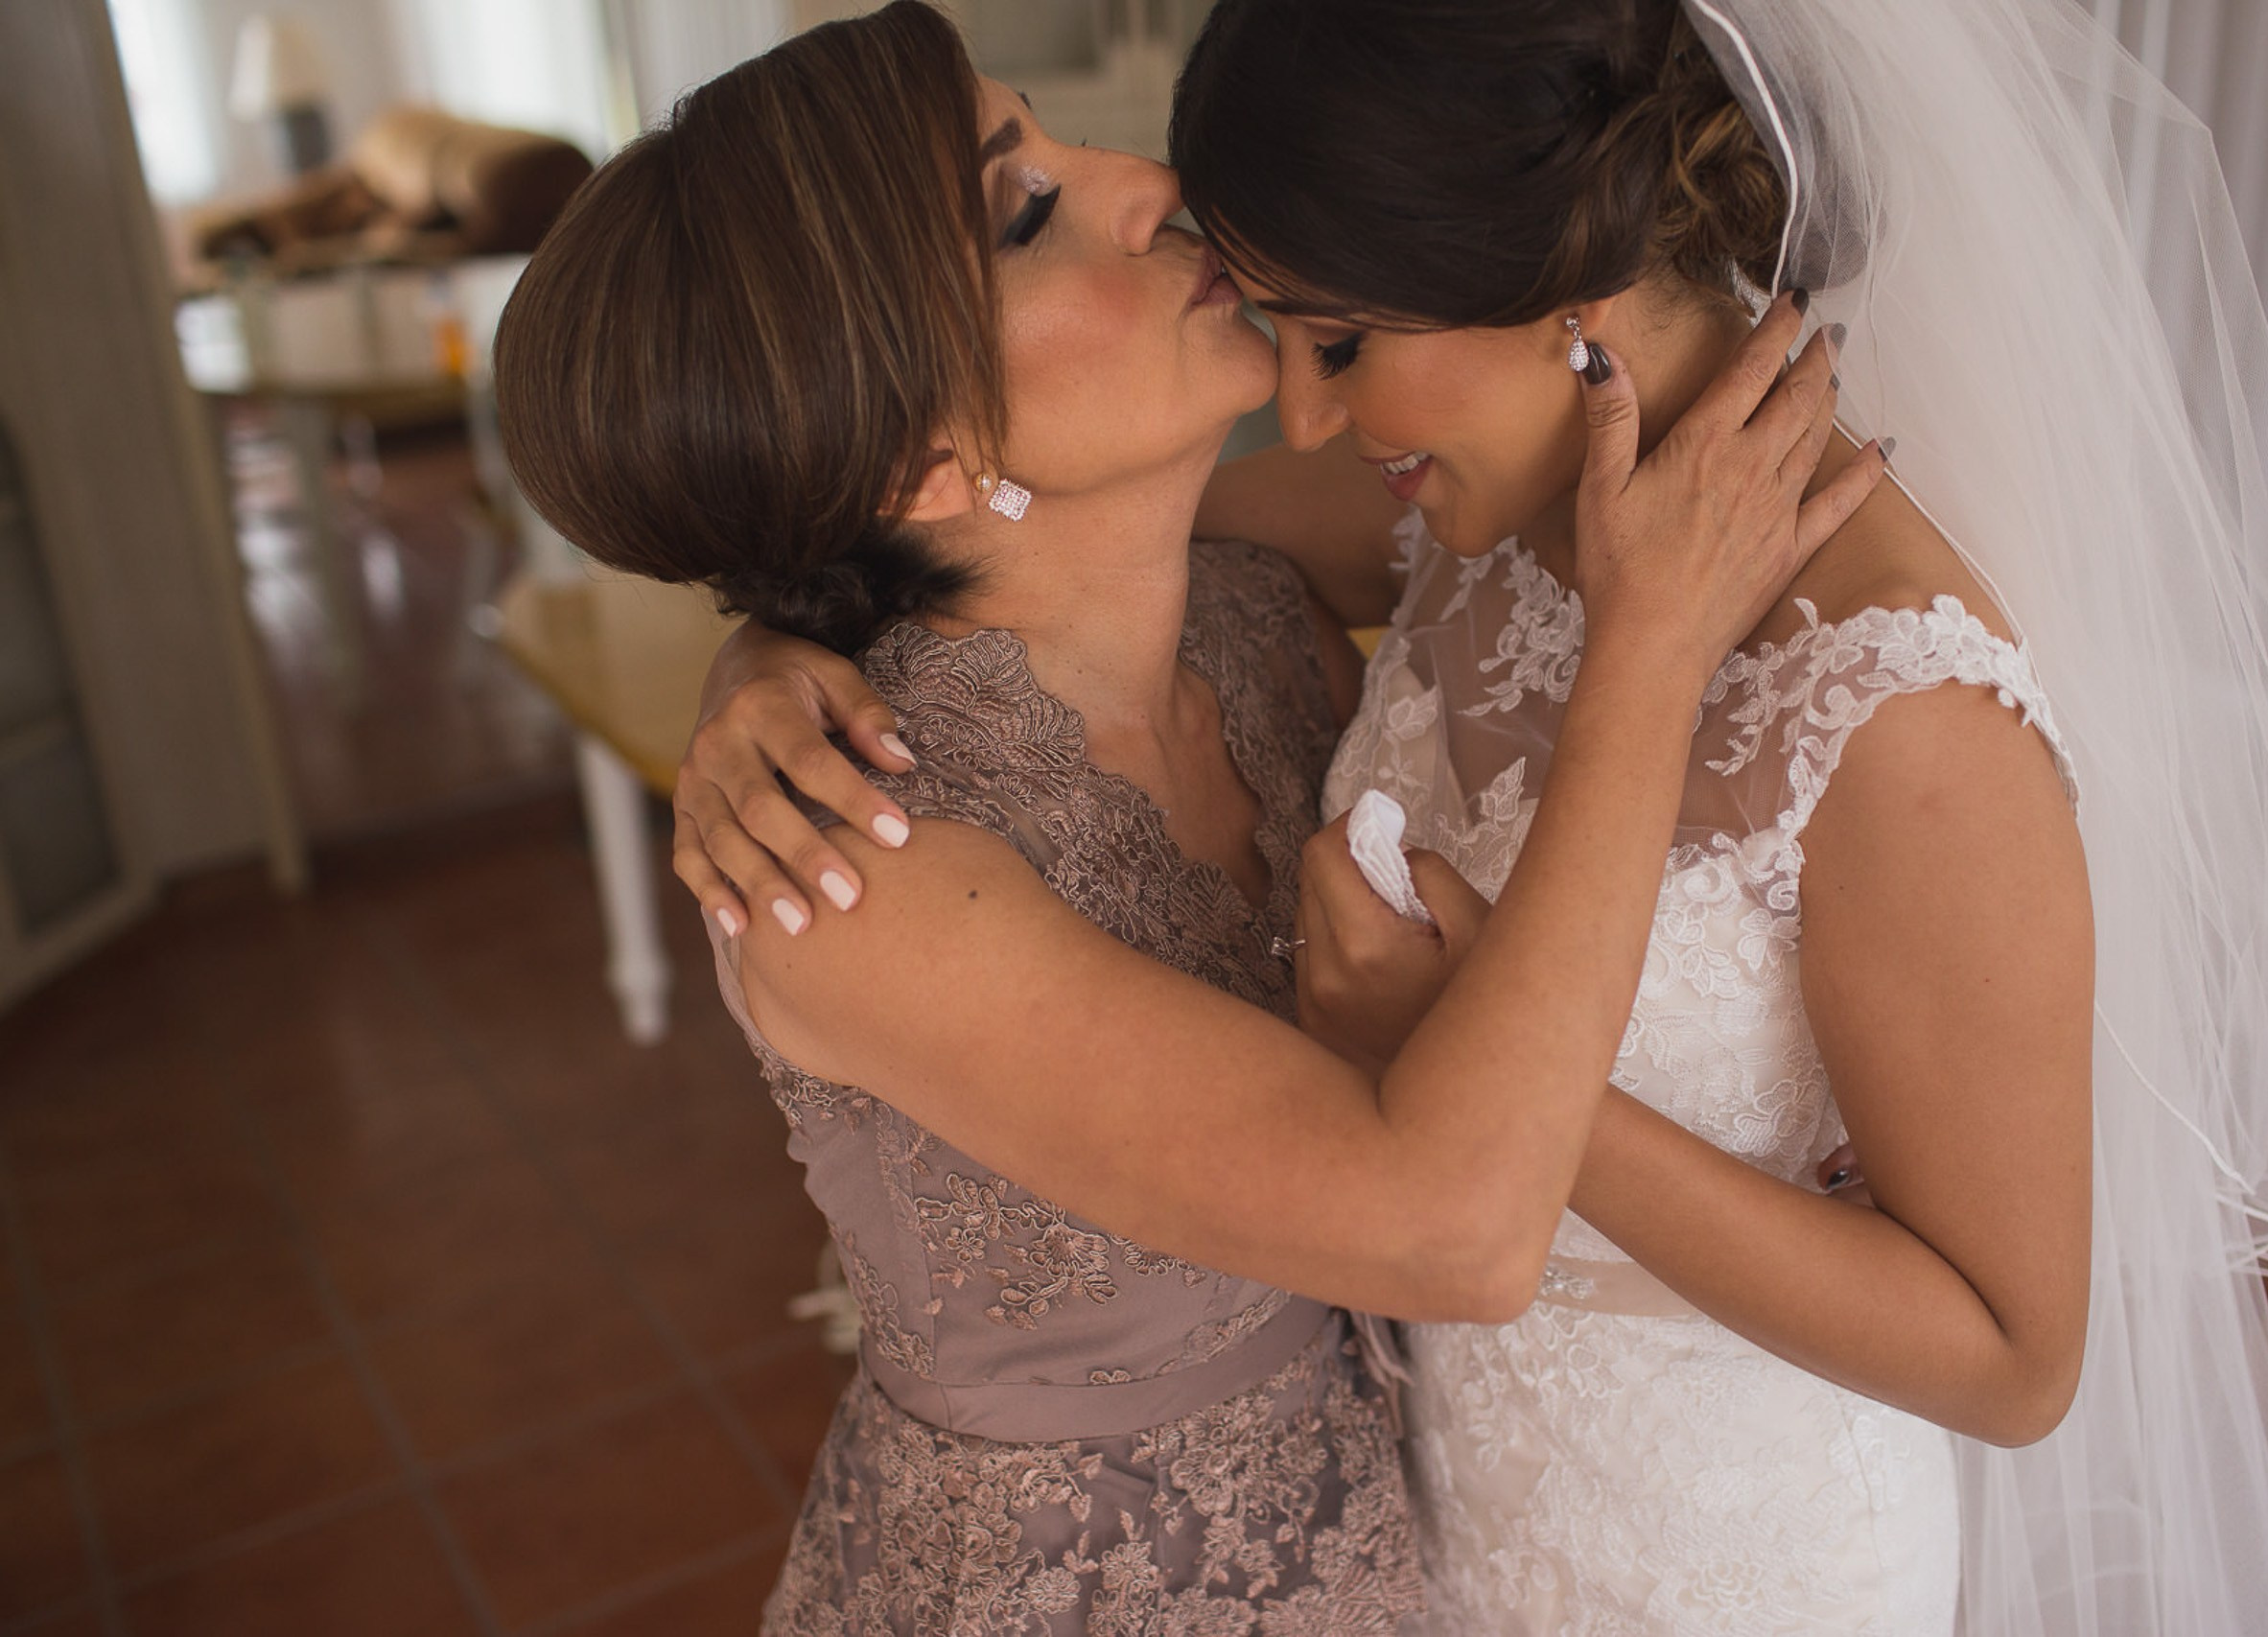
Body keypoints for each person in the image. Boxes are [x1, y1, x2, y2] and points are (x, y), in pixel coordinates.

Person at [678, 2, 2268, 1632]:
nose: (1302, 404)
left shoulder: (1895, 711)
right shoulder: (1453, 503)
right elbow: (948, 534)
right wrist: (763, 655)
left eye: (1344, 338)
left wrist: (1477, 1054)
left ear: (1564, 298)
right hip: (1424, 1521)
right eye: (1287, 331)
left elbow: (2009, 1355)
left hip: (1724, 1547)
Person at [492, 4, 1881, 1631]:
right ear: (918, 459)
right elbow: (1452, 1229)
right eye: (1027, 212)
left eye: (1058, 147)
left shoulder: (1247, 605)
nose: (1145, 181)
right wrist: (1653, 651)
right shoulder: (861, 882)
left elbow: (1532, 464)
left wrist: (767, 638)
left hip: (1386, 1534)